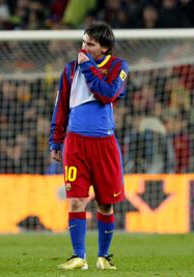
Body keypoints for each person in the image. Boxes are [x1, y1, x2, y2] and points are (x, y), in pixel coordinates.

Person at [49, 21, 129, 271]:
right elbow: (61, 106)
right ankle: (78, 256)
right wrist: (55, 139)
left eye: (90, 44)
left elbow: (106, 94)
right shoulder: (70, 70)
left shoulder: (118, 67)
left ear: (104, 48)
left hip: (104, 144)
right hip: (76, 143)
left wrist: (88, 67)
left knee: (105, 203)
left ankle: (103, 256)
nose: (83, 48)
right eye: (83, 42)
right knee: (76, 200)